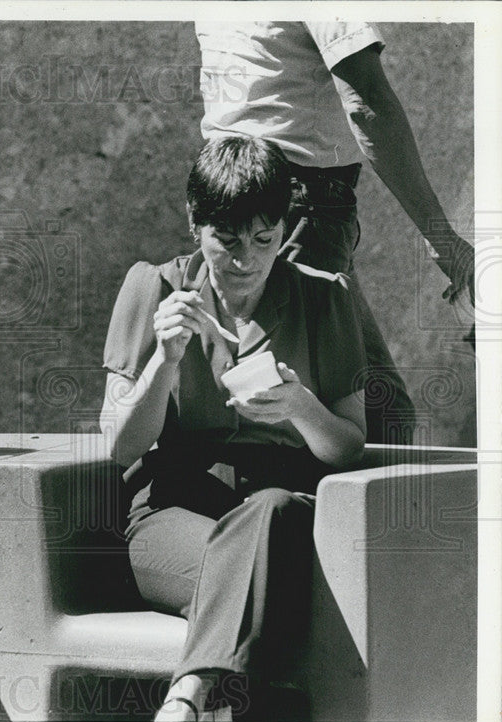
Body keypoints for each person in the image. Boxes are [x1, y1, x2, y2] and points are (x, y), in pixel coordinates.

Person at [101, 136, 368, 722]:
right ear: (195, 222)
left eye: (263, 239)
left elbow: (347, 445)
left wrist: (302, 407)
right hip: (174, 508)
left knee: (269, 513)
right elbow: (120, 444)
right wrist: (162, 363)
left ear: (283, 229)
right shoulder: (156, 287)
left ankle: (187, 699)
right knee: (255, 581)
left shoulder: (323, 299)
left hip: (282, 509)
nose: (244, 258)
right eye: (225, 239)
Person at [196, 21, 476, 444]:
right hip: (294, 210)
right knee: (300, 426)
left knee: (383, 418)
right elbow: (366, 103)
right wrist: (442, 240)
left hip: (256, 198)